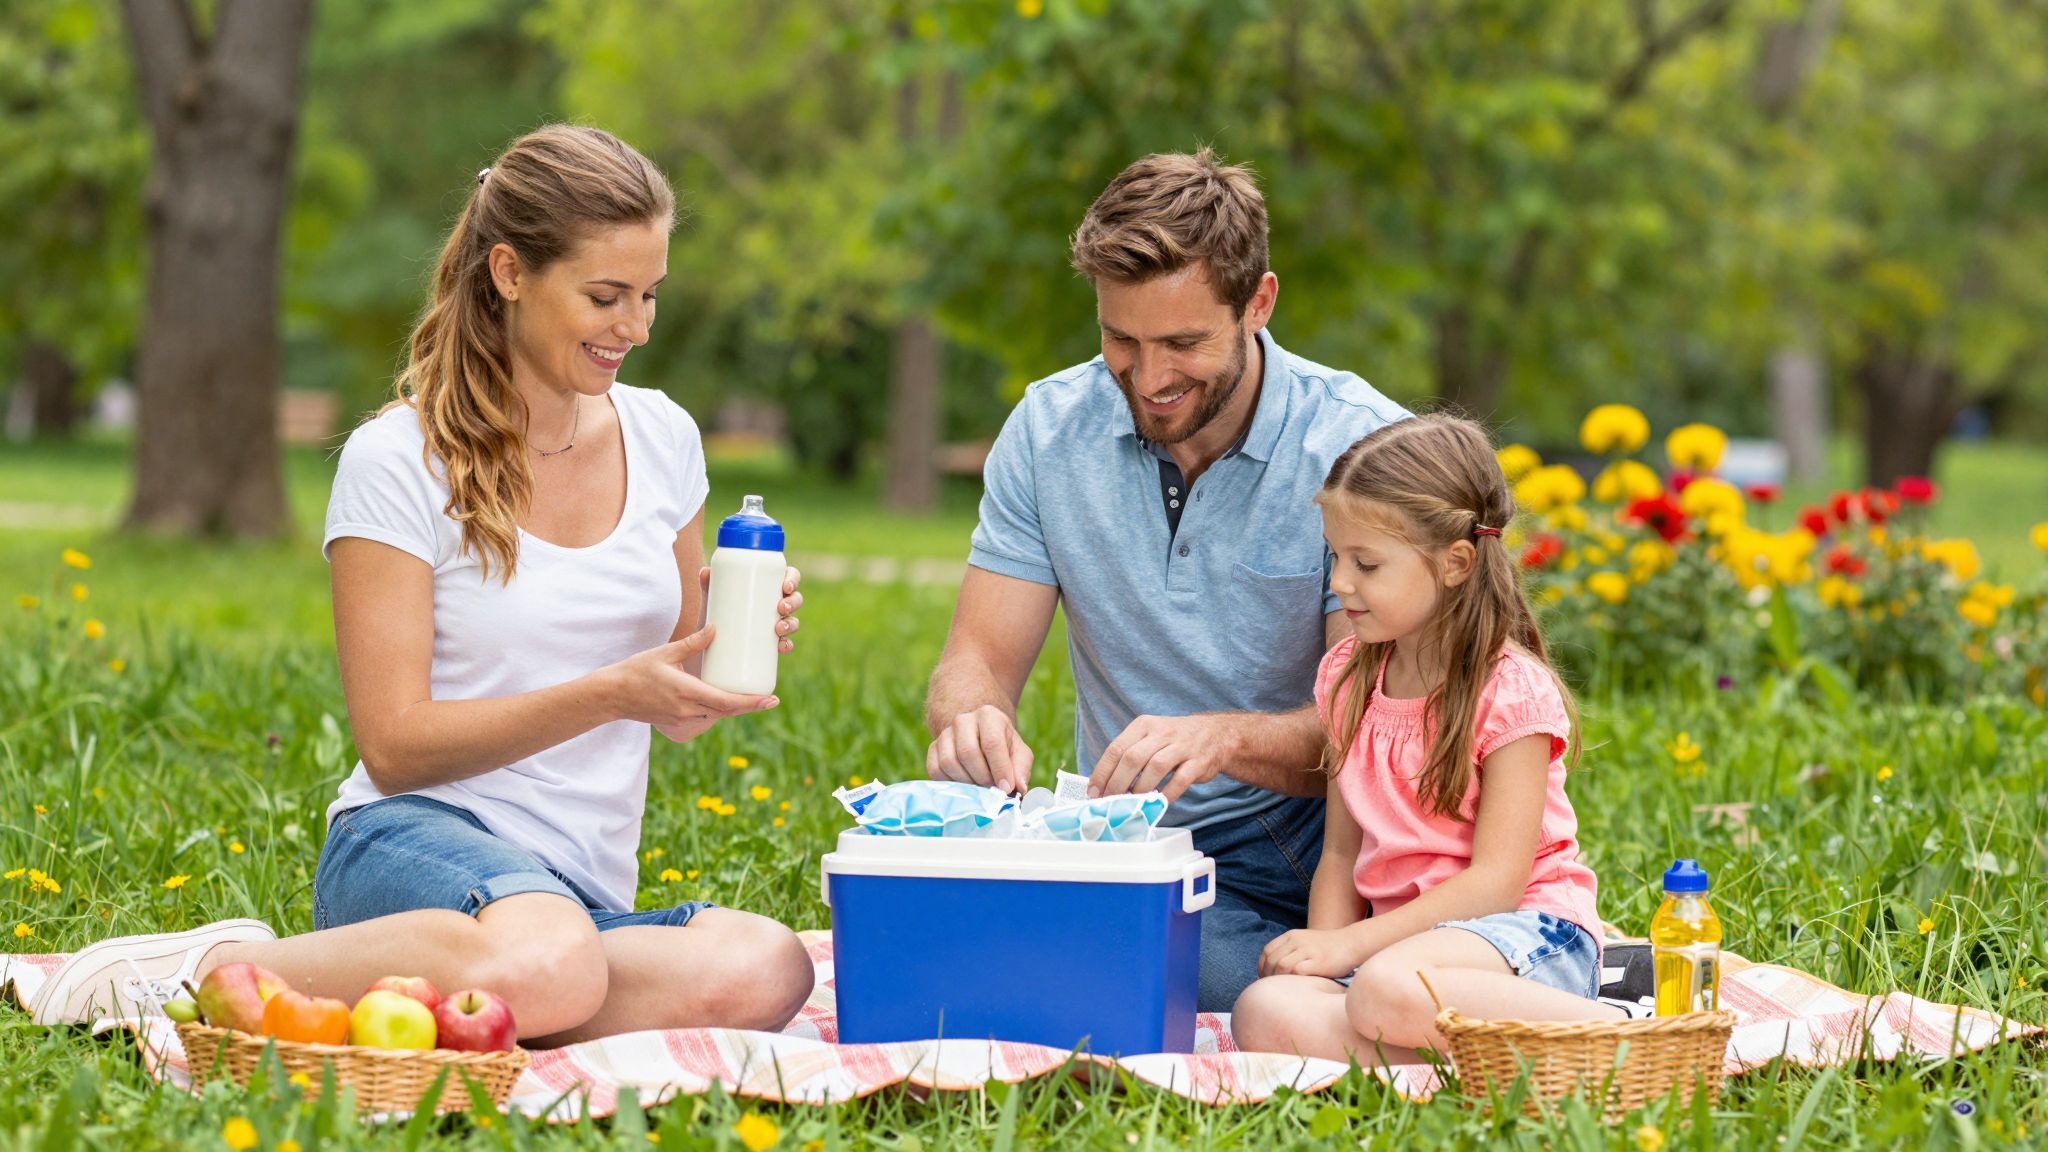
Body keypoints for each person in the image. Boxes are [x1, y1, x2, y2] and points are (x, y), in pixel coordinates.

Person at [29, 125, 815, 1044]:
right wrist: (610, 693)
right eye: (605, 296)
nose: (635, 328)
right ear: (510, 272)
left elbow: (678, 702)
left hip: (575, 894)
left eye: (649, 296)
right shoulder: (397, 460)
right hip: (413, 839)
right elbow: (395, 744)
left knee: (766, 969)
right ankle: (196, 973)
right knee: (553, 964)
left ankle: (476, 989)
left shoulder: (664, 438)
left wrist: (727, 639)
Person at [923, 149, 1408, 1011]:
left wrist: (1225, 739)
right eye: (1121, 340)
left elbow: (1366, 731)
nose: (1148, 380)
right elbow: (978, 661)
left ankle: (1348, 974)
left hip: (1317, 844)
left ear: (1258, 304)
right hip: (1130, 845)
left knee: (1095, 970)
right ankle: (1335, 986)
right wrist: (971, 722)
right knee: (970, 947)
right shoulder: (1047, 429)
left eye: (1183, 343)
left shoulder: (1359, 449)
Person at [1231, 415, 1623, 1065]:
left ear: (1455, 563)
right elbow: (1339, 854)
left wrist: (1351, 950)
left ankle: (1619, 1041)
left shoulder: (1510, 690)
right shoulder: (1347, 679)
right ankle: (1486, 1069)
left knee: (1386, 990)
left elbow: (1496, 884)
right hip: (1400, 957)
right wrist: (1321, 964)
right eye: (1336, 557)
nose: (1340, 584)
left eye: (1367, 563)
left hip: (1525, 937)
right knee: (1266, 1008)